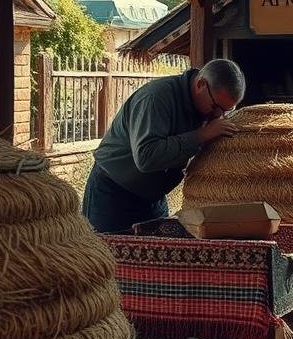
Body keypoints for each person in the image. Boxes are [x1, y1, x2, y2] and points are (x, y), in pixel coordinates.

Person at [82, 58, 246, 233]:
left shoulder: (204, 108)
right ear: (200, 84)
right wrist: (201, 135)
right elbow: (146, 157)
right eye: (215, 106)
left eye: (226, 110)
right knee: (109, 257)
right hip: (113, 197)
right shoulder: (156, 98)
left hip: (153, 199)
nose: (219, 115)